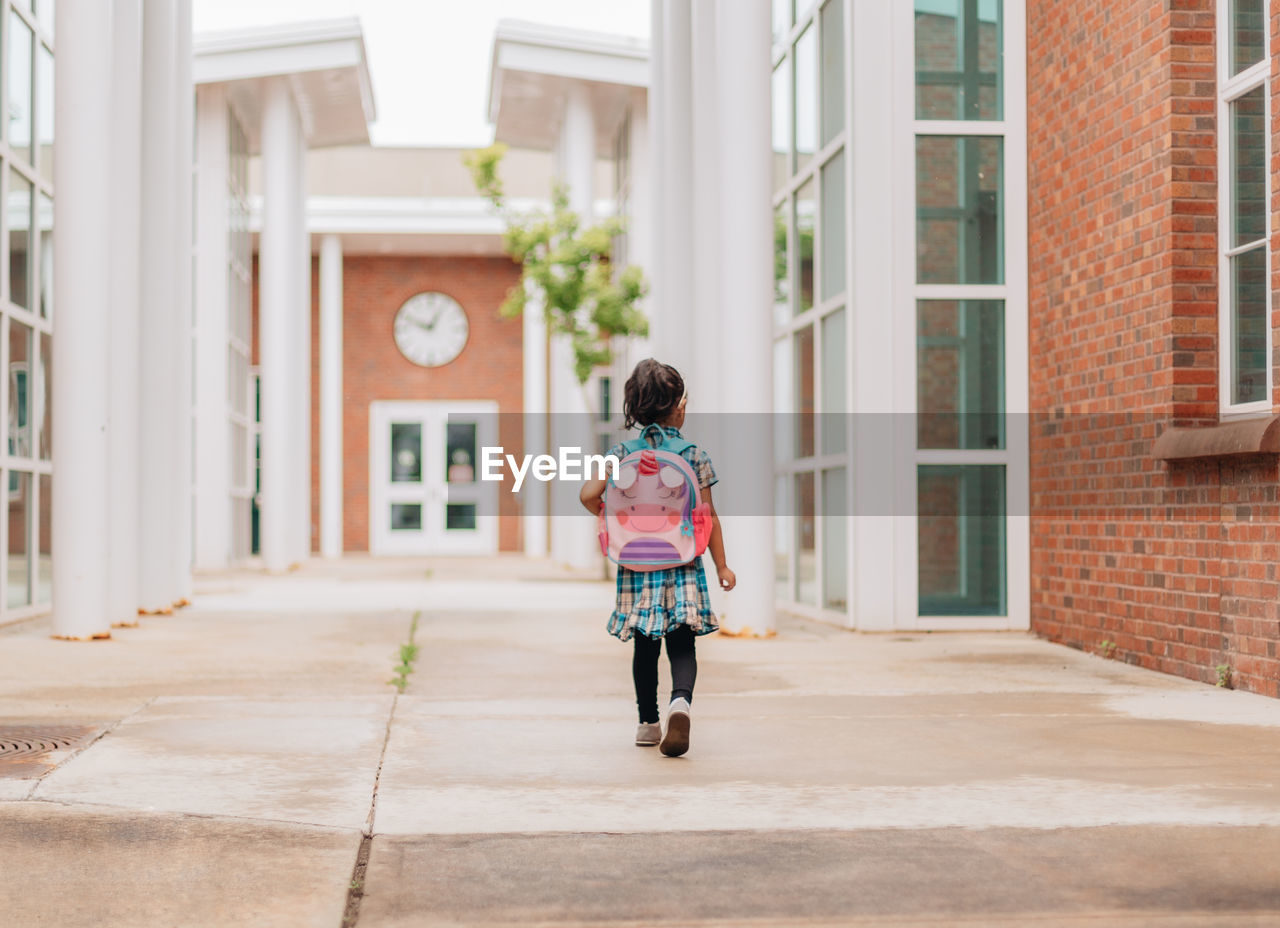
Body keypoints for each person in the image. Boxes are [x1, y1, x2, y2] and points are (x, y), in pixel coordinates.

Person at [579, 359, 736, 757]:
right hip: (682, 561)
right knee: (682, 641)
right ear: (679, 408)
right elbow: (708, 516)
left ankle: (647, 723)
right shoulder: (693, 454)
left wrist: (611, 513)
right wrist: (722, 565)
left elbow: (586, 495)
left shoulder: (619, 453)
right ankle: (680, 703)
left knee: (644, 644)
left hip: (636, 563)